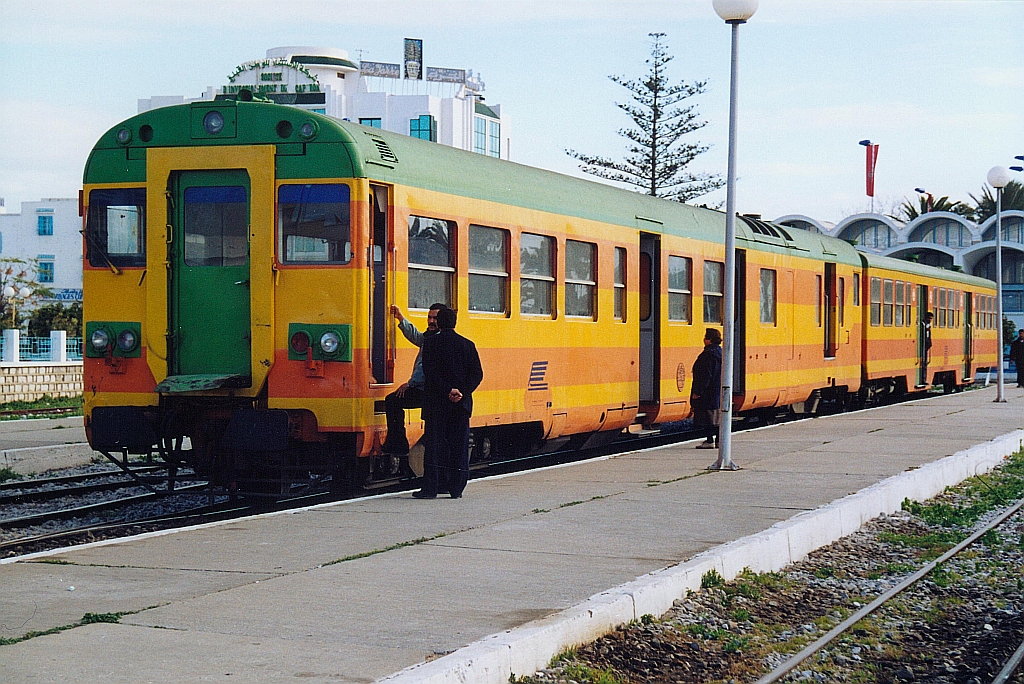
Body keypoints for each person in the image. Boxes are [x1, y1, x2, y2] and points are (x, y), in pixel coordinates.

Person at [414, 308, 483, 499]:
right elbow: (477, 374)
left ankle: (430, 488)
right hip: (460, 405)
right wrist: (462, 392)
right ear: (455, 322)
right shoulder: (468, 345)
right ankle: (456, 488)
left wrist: (447, 390)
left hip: (437, 404)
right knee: (459, 446)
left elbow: (429, 372)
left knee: (434, 446)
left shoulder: (431, 344)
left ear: (440, 323)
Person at [381, 303, 445, 463]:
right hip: (430, 390)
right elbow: (417, 337)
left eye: (435, 318)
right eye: (429, 317)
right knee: (394, 401)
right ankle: (397, 444)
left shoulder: (435, 340)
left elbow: (425, 367)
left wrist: (410, 384)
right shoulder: (431, 337)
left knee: (393, 400)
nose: (431, 321)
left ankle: (397, 444)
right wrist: (401, 319)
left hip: (426, 390)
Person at [690, 328, 723, 449]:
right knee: (718, 418)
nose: (704, 339)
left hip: (708, 392)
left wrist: (698, 392)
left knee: (708, 417)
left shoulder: (707, 355)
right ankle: (719, 441)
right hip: (719, 391)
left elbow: (704, 375)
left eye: (705, 337)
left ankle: (710, 441)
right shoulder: (722, 354)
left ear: (709, 340)